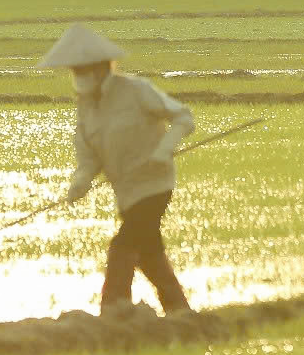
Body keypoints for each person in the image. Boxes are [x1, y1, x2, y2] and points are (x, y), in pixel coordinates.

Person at [38, 23, 196, 315]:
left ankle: (113, 310)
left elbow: (184, 118)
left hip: (154, 185)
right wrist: (80, 181)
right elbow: (89, 157)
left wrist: (164, 150)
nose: (78, 77)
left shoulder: (136, 90)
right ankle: (180, 312)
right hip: (126, 192)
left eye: (82, 70)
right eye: (75, 72)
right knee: (149, 253)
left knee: (122, 246)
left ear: (100, 68)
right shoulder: (87, 107)